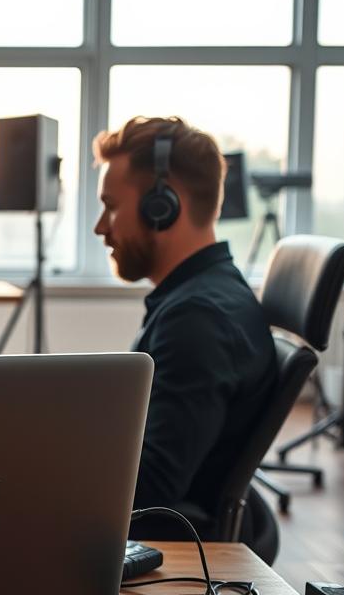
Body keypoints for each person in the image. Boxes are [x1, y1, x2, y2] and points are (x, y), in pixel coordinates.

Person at [92, 116, 277, 527]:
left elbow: (152, 488)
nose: (100, 227)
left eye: (111, 206)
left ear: (162, 206)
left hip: (164, 537)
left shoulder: (198, 321)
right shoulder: (201, 296)